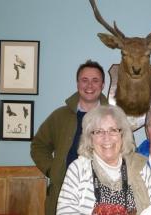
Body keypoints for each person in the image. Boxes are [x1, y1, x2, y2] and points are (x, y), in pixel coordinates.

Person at [56, 105, 151, 215]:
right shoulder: (78, 169)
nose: (106, 138)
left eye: (113, 130)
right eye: (98, 131)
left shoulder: (140, 167)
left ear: (123, 136)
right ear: (90, 139)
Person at [31, 60, 108, 215]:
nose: (89, 85)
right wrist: (52, 169)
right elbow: (38, 145)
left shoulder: (114, 117)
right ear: (77, 83)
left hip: (104, 197)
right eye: (84, 80)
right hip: (63, 194)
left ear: (103, 85)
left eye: (95, 80)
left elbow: (128, 151)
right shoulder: (60, 116)